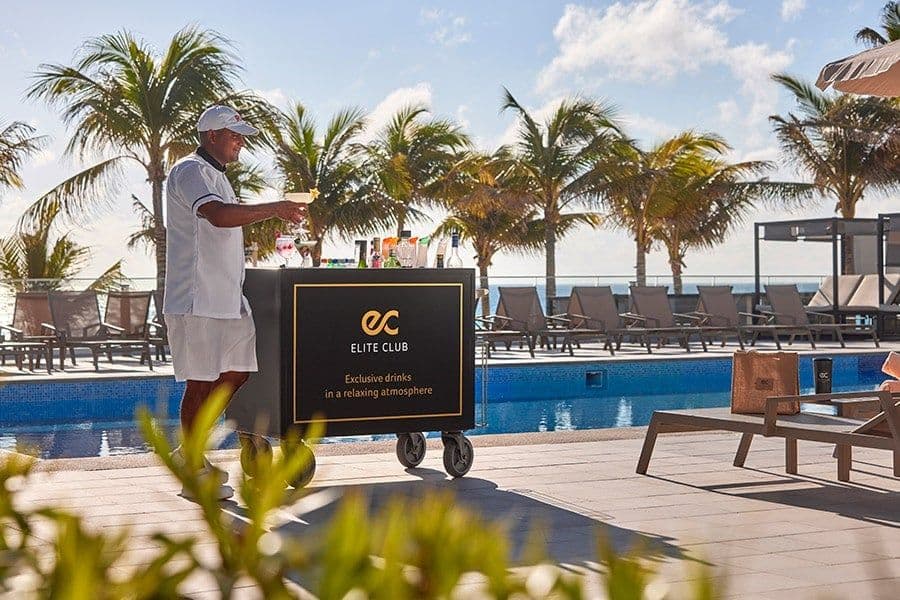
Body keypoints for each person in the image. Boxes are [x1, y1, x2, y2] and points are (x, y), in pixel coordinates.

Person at [163, 105, 306, 500]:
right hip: (197, 298)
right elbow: (218, 217)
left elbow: (227, 220)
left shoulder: (218, 178)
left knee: (238, 372)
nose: (241, 140)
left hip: (228, 298)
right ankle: (192, 467)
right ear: (211, 135)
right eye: (234, 134)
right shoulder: (189, 171)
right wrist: (274, 208)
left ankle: (186, 452)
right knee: (201, 382)